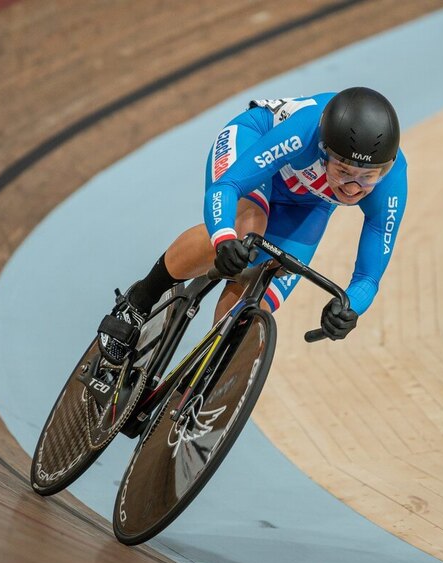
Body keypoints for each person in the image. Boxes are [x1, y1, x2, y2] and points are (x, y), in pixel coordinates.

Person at [97, 87, 407, 365]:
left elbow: (368, 276)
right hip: (255, 146)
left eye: (368, 177)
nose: (354, 188)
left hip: (307, 202)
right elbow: (227, 188)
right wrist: (223, 238)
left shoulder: (391, 181)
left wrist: (350, 307)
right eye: (344, 172)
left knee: (254, 300)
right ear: (324, 150)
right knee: (246, 233)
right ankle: (139, 300)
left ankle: (201, 381)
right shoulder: (305, 131)